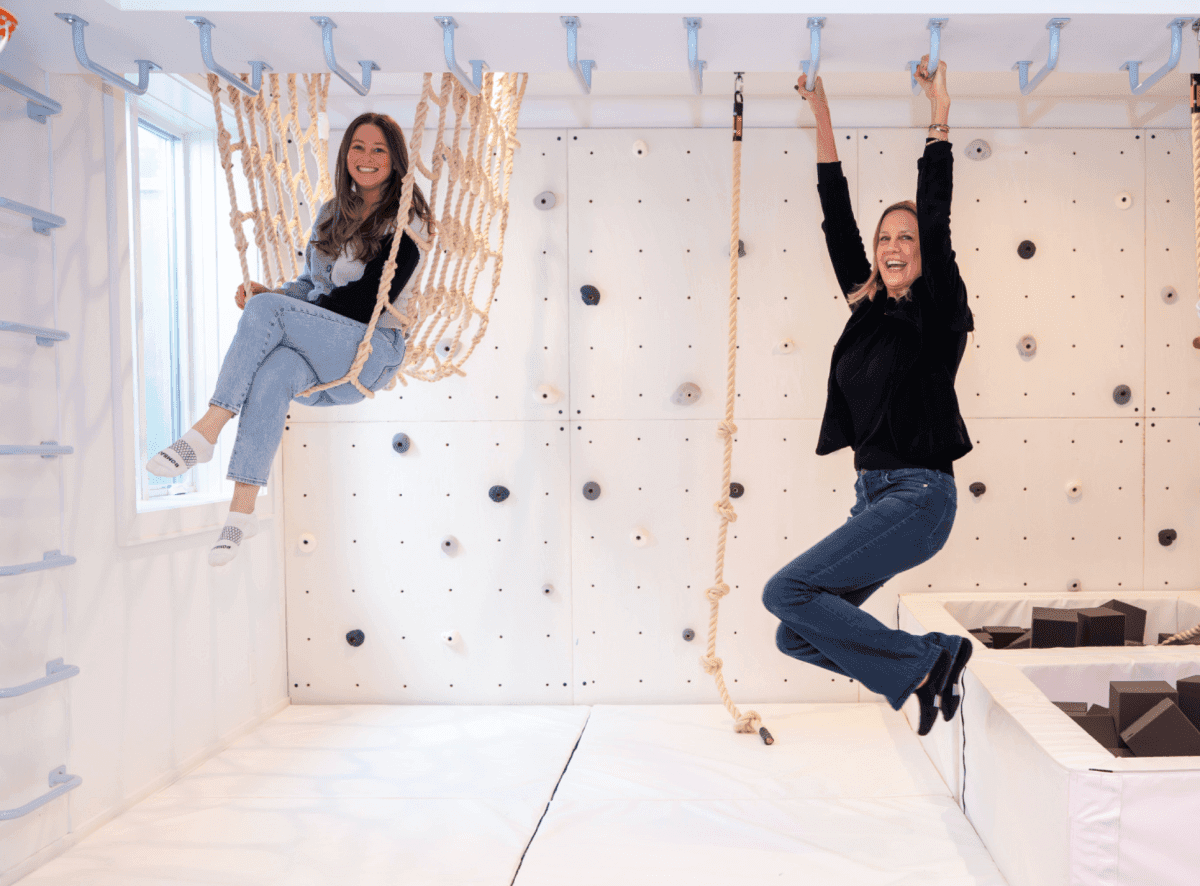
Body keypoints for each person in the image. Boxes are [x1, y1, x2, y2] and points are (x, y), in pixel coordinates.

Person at [761, 57, 974, 735]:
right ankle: (928, 664)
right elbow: (836, 219)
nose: (891, 245)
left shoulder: (937, 311)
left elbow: (935, 218)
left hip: (920, 495)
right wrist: (820, 113)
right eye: (885, 238)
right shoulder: (869, 311)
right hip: (876, 496)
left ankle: (927, 664)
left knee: (784, 592)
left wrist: (938, 115)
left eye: (904, 238)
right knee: (796, 633)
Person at [147, 113, 433, 566]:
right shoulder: (330, 214)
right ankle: (242, 513)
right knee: (276, 368)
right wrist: (276, 297)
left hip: (371, 349)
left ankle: (207, 430)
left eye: (379, 149)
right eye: (358, 147)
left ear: (396, 160)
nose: (367, 158)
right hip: (326, 351)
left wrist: (280, 311)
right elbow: (309, 286)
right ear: (346, 155)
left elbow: (365, 304)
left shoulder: (408, 224)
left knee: (268, 315)